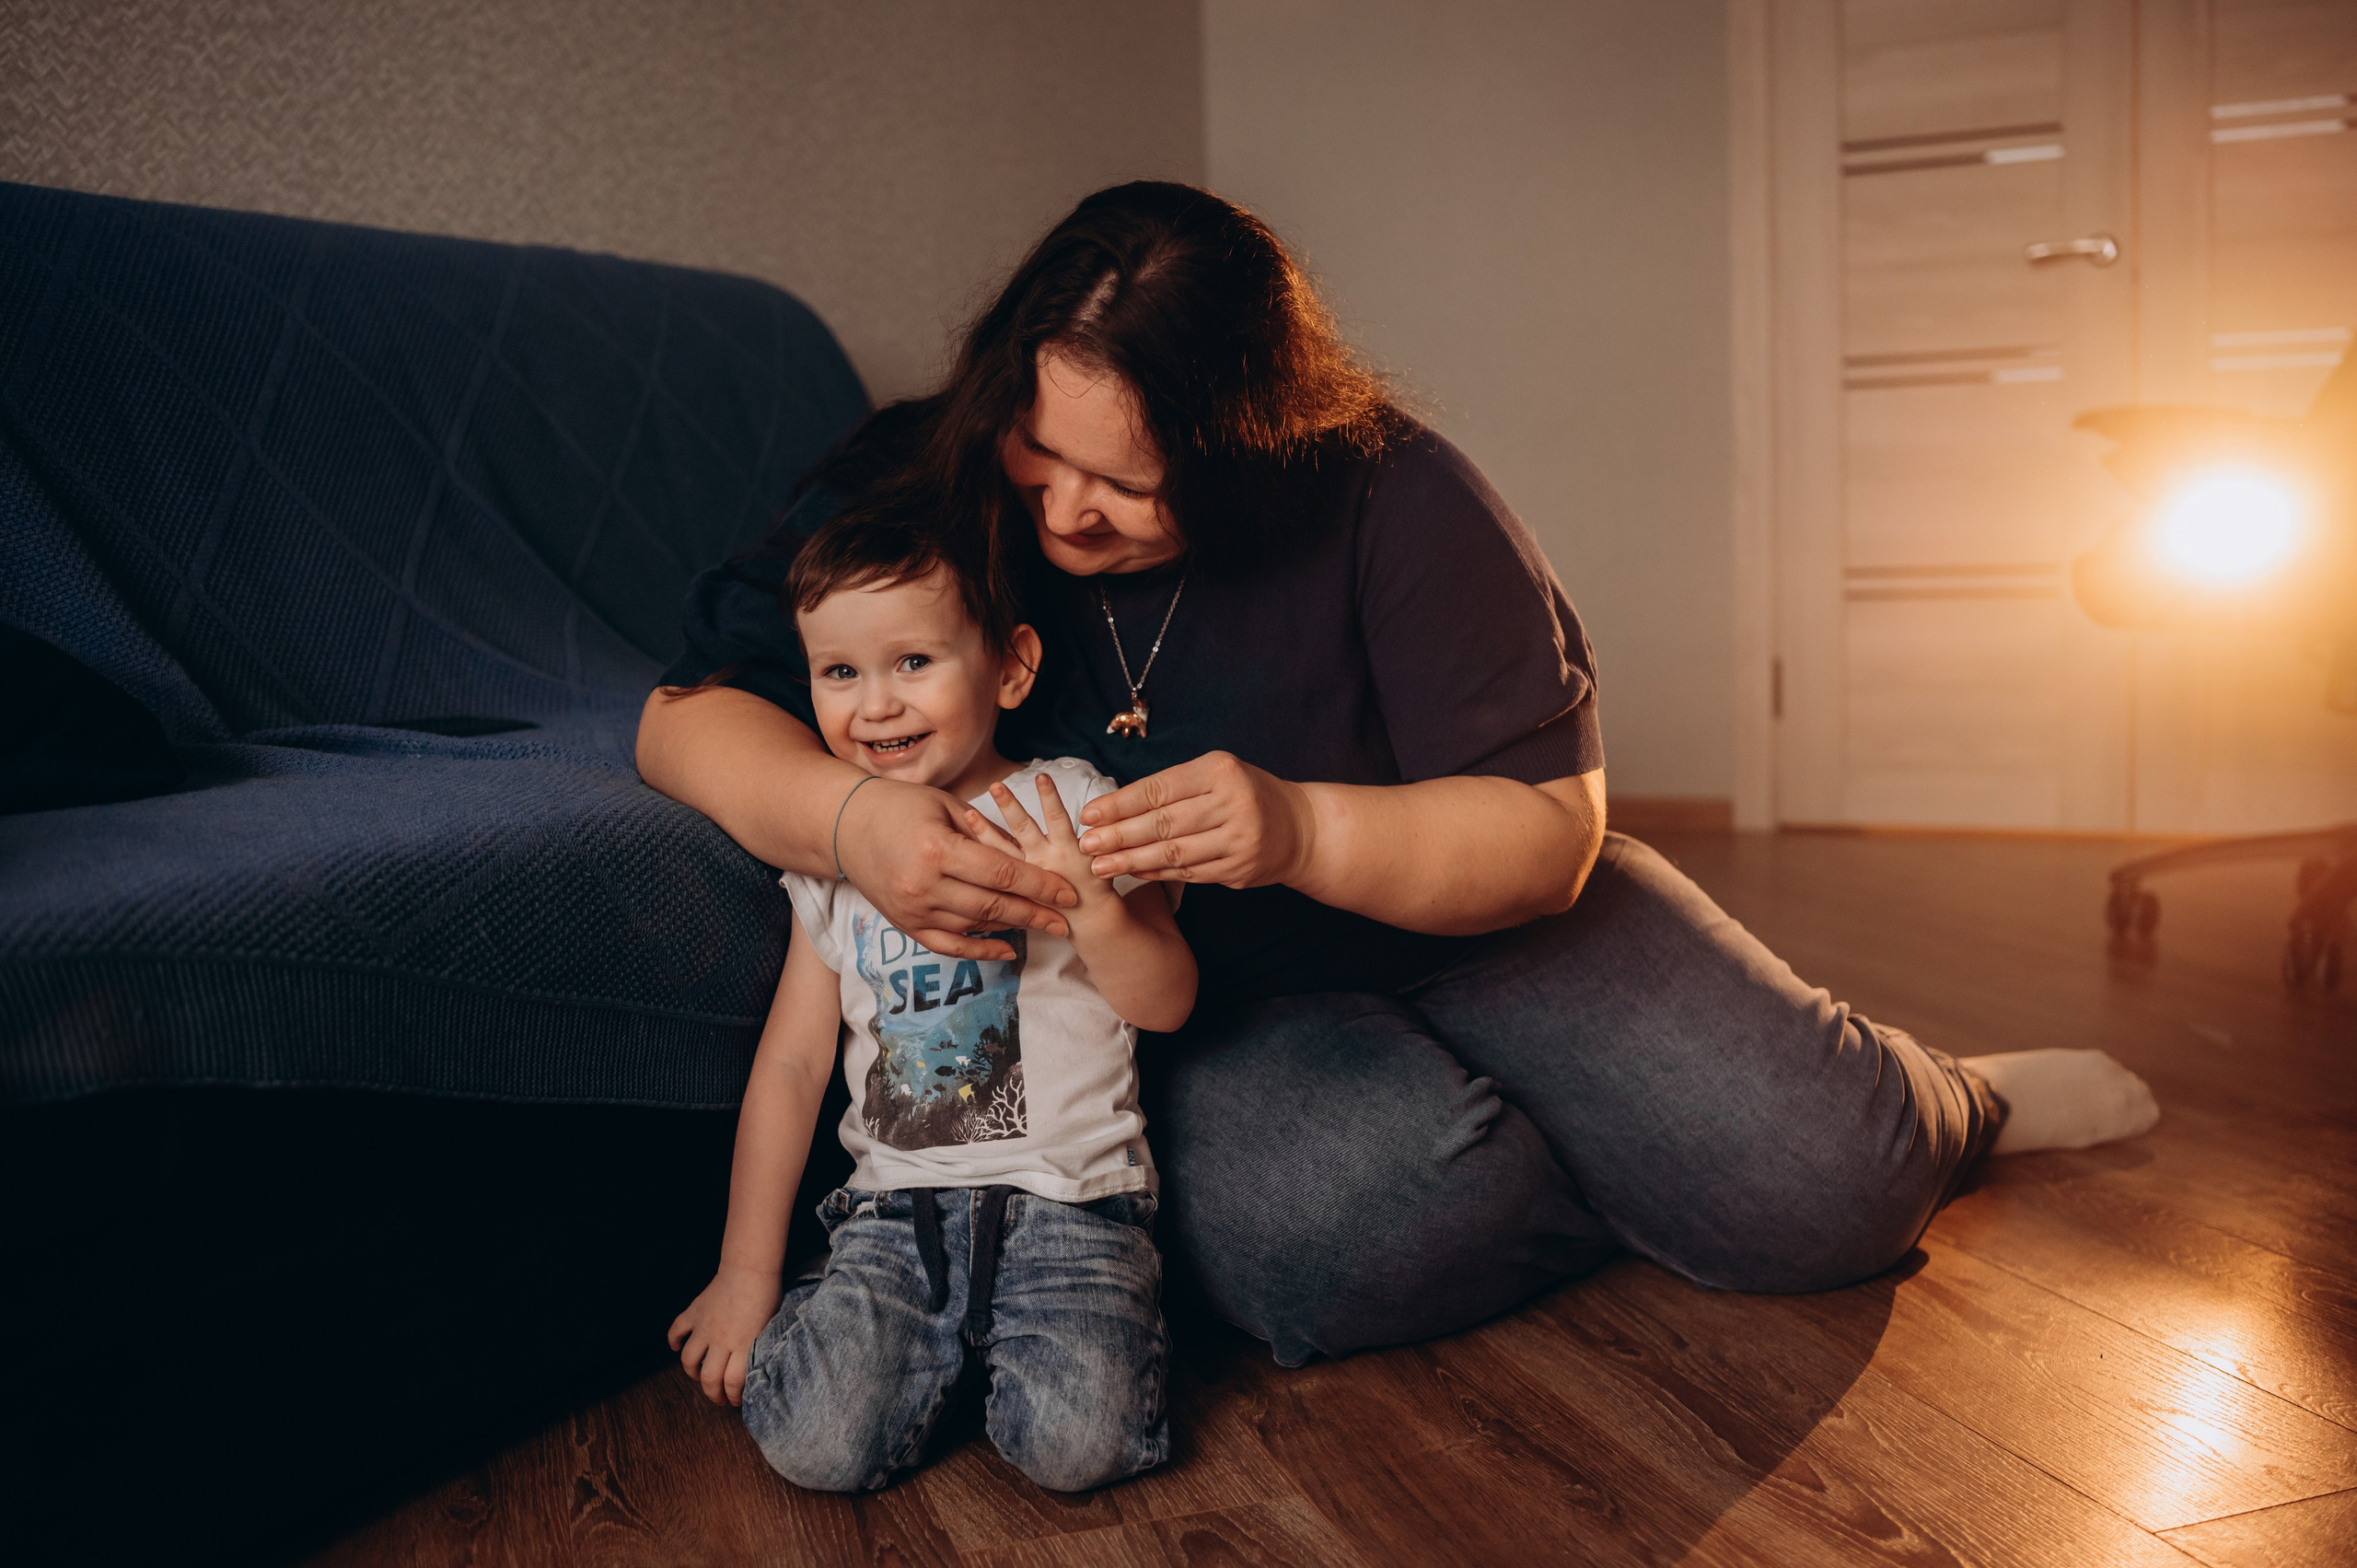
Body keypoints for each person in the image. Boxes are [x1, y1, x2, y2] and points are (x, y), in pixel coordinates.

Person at [643, 180, 2158, 1372]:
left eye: (1131, 484)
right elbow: (680, 719)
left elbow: (1546, 832)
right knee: (1326, 1248)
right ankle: (1639, 1160)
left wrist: (1302, 825)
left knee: (1827, 1185)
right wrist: (856, 819)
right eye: (1043, 454)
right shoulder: (923, 476)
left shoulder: (1390, 487)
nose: (1068, 513)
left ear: (1245, 449)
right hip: (1213, 1001)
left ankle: (1954, 1097)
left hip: (1485, 918)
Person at [666, 507, 1196, 1493]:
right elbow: (792, 1065)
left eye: (912, 661)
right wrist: (746, 1272)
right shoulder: (834, 859)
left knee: (1079, 1446)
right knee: (817, 1445)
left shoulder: (1072, 805)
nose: (875, 704)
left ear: (1010, 667)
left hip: (1072, 1207)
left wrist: (1096, 911)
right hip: (893, 1214)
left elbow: (1168, 1001)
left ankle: (954, 1362)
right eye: (839, 671)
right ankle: (882, 1330)